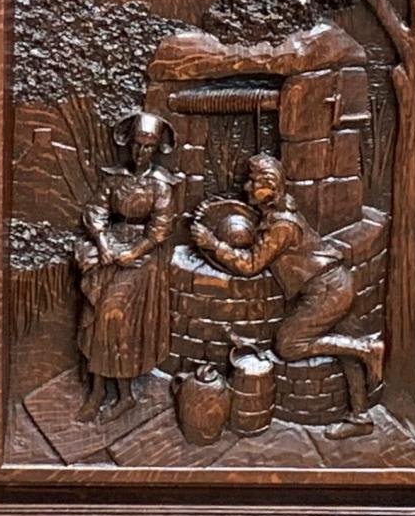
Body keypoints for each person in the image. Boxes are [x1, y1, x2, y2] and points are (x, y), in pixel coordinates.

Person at [189, 153, 384, 402]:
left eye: (254, 183)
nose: (247, 187)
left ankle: (368, 349)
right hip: (335, 283)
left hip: (325, 290)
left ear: (270, 187)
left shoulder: (282, 226)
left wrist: (213, 244)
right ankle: (359, 414)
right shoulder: (278, 210)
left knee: (288, 345)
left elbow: (250, 264)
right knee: (344, 346)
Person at [71, 111, 179, 419]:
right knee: (97, 320)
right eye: (136, 144)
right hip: (112, 246)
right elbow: (97, 210)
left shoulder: (161, 185)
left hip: (142, 258)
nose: (140, 152)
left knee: (115, 321)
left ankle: (122, 394)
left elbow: (160, 227)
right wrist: (103, 243)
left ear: (156, 148)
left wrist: (134, 253)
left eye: (147, 146)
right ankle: (97, 391)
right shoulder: (114, 178)